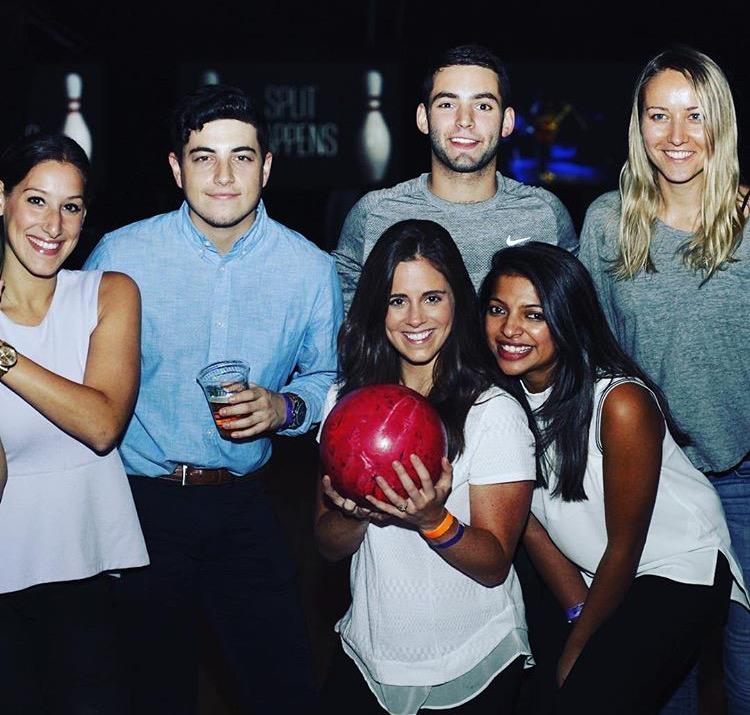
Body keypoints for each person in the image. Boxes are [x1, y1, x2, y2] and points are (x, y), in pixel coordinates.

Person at [84, 85, 343, 714]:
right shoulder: (120, 256)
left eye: (242, 157)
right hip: (138, 506)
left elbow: (329, 379)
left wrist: (284, 408)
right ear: (177, 169)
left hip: (243, 506)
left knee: (284, 688)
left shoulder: (310, 269)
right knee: (151, 693)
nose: (224, 176)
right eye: (203, 157)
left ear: (268, 166)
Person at [480, 241, 748, 715]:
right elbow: (529, 523)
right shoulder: (499, 402)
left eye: (534, 315)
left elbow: (627, 546)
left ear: (568, 320)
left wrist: (578, 647)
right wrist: (576, 611)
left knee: (582, 695)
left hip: (676, 567)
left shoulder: (619, 403)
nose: (510, 329)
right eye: (498, 309)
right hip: (591, 571)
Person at [577, 46, 750, 714]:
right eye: (659, 116)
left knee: (744, 677)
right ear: (638, 124)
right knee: (659, 680)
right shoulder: (605, 224)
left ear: (722, 123)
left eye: (695, 116)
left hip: (743, 483)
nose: (676, 137)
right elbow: (586, 358)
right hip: (650, 483)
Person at [315, 219, 538, 714]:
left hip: (470, 657)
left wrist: (432, 520)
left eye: (432, 297)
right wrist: (356, 513)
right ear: (378, 308)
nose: (415, 317)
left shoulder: (492, 412)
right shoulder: (346, 405)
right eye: (398, 301)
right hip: (370, 651)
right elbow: (327, 544)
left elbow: (494, 563)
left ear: (457, 302)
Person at [0, 133, 149, 714]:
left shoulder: (107, 293)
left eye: (72, 206)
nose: (54, 226)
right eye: (36, 200)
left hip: (92, 575)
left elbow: (102, 423)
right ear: (3, 198)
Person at [334, 44, 577, 310]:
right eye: (447, 104)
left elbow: (575, 330)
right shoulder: (374, 215)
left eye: (483, 106)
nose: (464, 120)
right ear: (423, 118)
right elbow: (346, 335)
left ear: (507, 122)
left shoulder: (546, 214)